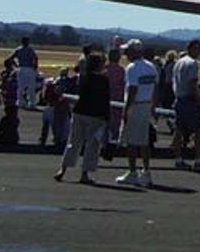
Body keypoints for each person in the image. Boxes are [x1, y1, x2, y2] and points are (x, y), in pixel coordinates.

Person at [56, 51, 110, 184]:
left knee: (73, 142)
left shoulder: (84, 78)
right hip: (95, 114)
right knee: (92, 145)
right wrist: (107, 117)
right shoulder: (103, 80)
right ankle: (84, 173)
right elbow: (105, 99)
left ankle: (63, 169)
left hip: (80, 111)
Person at [116, 40, 158, 187]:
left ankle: (133, 172)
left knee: (131, 141)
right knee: (144, 141)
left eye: (127, 51)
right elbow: (155, 88)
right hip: (147, 105)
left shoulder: (132, 68)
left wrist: (126, 110)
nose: (125, 54)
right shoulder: (151, 66)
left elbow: (133, 89)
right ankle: (146, 171)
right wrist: (154, 106)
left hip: (136, 105)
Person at [171, 39, 200, 170]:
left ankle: (178, 158)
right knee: (199, 131)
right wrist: (199, 98)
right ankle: (198, 160)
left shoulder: (179, 62)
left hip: (179, 98)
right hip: (189, 100)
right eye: (198, 49)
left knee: (179, 130)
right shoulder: (192, 63)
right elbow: (192, 84)